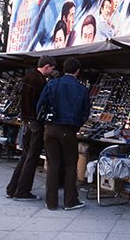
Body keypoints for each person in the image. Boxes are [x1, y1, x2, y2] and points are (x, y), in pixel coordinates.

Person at [37, 57, 91, 211]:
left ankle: (51, 202)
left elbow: (40, 105)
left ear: (63, 69)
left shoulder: (52, 84)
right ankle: (70, 201)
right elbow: (85, 112)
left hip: (50, 128)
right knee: (70, 164)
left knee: (53, 164)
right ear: (78, 71)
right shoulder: (81, 89)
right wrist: (77, 124)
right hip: (68, 129)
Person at [6, 55, 56, 200]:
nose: (51, 72)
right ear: (47, 66)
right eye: (52, 69)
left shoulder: (27, 77)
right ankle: (22, 191)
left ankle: (12, 188)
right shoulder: (39, 81)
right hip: (35, 122)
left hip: (27, 121)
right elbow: (42, 103)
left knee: (25, 155)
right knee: (31, 157)